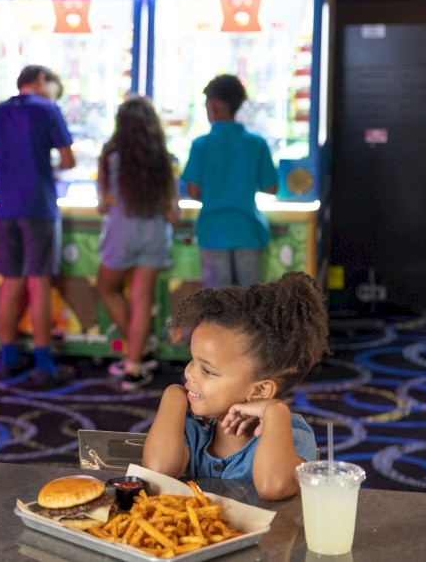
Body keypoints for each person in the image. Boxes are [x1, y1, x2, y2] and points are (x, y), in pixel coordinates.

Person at [142, 272, 328, 500]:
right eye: (192, 360)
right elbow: (157, 472)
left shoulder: (292, 435)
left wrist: (275, 411)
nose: (188, 372)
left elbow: (274, 486)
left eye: (207, 370)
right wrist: (173, 396)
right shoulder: (192, 426)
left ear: (259, 391)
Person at [0, 65, 75, 387]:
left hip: (5, 208)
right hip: (39, 207)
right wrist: (46, 170)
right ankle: (44, 365)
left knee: (11, 282)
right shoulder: (49, 110)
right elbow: (69, 161)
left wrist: (5, 177)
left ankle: (7, 359)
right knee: (39, 282)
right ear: (42, 80)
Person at [96, 97, 179, 391]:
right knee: (142, 299)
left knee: (107, 288)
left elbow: (103, 204)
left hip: (121, 230)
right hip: (154, 231)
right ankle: (134, 363)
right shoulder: (163, 157)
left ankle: (135, 351)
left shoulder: (110, 155)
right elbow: (173, 211)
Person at [181, 74, 278, 288]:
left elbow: (193, 190)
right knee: (250, 303)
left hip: (213, 232)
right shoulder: (257, 144)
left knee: (218, 307)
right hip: (248, 231)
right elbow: (271, 188)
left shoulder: (201, 145)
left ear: (213, 106)